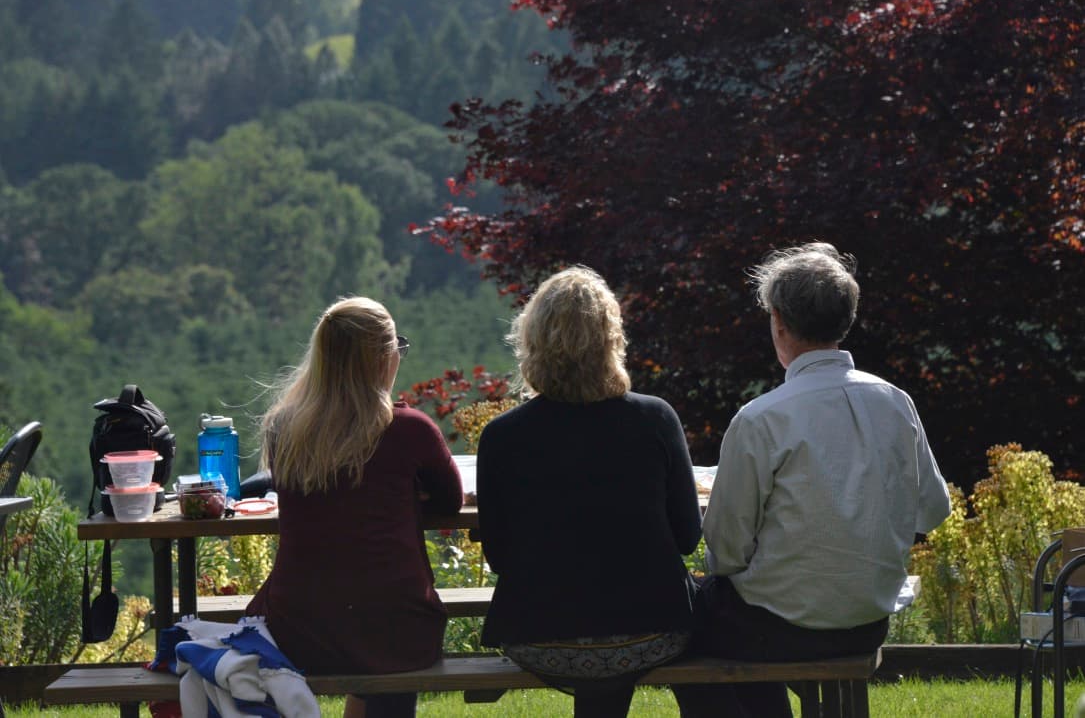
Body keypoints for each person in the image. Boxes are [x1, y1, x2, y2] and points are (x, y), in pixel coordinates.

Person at [677, 242, 952, 717]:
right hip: (868, 619)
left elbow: (727, 550)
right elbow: (934, 510)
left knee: (683, 628)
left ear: (779, 322)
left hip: (777, 625)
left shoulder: (761, 419)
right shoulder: (895, 402)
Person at [476, 265, 703, 718]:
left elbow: (499, 557)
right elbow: (687, 537)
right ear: (611, 340)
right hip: (650, 635)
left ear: (533, 342)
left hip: (538, 637)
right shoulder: (655, 419)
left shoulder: (503, 436)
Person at [245, 296, 463, 718]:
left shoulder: (283, 428)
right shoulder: (410, 429)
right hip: (399, 632)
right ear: (384, 359)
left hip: (298, 627)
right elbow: (450, 500)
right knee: (381, 627)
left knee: (351, 620)